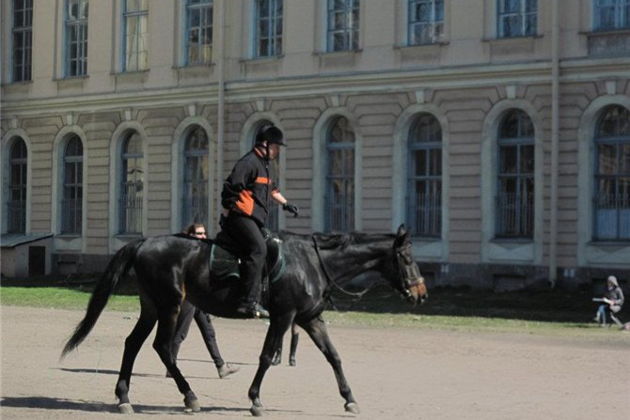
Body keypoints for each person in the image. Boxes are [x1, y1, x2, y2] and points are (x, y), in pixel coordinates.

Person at [220, 124, 298, 318]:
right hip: (240, 217)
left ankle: (263, 297)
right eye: (276, 146)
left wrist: (286, 204)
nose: (278, 150)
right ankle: (247, 302)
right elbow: (230, 187)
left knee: (271, 246)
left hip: (254, 219)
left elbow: (272, 191)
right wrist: (228, 212)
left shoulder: (265, 166)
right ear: (265, 144)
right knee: (258, 249)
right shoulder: (248, 162)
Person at [168, 223, 239, 378]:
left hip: (200, 298)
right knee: (180, 333)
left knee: (209, 332)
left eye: (204, 233)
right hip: (188, 298)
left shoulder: (202, 252)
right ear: (191, 235)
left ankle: (220, 366)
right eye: (199, 234)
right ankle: (170, 366)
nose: (203, 236)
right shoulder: (186, 253)